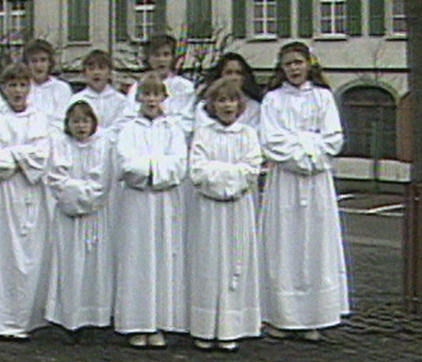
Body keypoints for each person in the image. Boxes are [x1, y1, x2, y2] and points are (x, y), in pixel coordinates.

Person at [259, 41, 350, 341]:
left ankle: (314, 317)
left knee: (314, 246)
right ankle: (280, 317)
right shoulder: (272, 99)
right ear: (281, 68)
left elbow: (333, 138)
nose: (294, 69)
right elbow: (271, 141)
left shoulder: (323, 98)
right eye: (288, 64)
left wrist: (310, 156)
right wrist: (303, 153)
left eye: (298, 62)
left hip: (316, 182)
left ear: (309, 63)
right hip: (285, 181)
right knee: (284, 244)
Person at [0, 63, 50, 339]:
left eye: (22, 85)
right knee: (1, 255)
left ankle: (26, 319)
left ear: (29, 88)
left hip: (29, 192)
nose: (17, 91)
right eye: (12, 85)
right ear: (3, 89)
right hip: (2, 195)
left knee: (29, 255)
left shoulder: (40, 118)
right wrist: (20, 156)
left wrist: (11, 155)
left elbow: (42, 155)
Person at [114, 72, 188, 348]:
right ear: (138, 98)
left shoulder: (173, 128)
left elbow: (179, 164)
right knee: (138, 258)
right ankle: (137, 322)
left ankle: (159, 323)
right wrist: (157, 167)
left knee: (163, 258)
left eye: (156, 95)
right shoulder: (129, 128)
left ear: (164, 98)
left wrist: (152, 168)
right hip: (137, 201)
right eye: (146, 94)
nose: (151, 100)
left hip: (165, 200)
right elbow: (126, 164)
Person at [188, 78, 262, 351]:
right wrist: (228, 176)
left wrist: (224, 177)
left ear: (240, 104)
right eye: (221, 100)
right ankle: (205, 328)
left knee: (235, 263)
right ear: (212, 105)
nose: (227, 105)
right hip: (209, 209)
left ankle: (233, 328)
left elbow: (251, 168)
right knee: (209, 264)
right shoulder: (204, 134)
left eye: (232, 100)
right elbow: (197, 170)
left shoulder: (247, 135)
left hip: (238, 208)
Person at [44, 100, 113, 338]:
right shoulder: (61, 145)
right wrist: (73, 197)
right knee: (68, 264)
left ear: (93, 123)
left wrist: (84, 197)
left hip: (95, 216)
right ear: (67, 124)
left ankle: (94, 316)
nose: (81, 126)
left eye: (85, 121)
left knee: (94, 265)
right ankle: (68, 317)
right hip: (67, 217)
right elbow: (55, 178)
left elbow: (102, 181)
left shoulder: (103, 146)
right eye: (75, 121)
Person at [125, 34, 194, 134]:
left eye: (166, 55)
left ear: (173, 58)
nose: (161, 60)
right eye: (156, 55)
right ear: (148, 58)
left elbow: (188, 122)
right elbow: (129, 117)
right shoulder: (137, 87)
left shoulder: (185, 87)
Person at [67, 49, 128, 139]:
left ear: (109, 73)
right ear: (84, 73)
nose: (96, 72)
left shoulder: (121, 100)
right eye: (91, 69)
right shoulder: (76, 100)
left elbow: (122, 125)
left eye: (101, 68)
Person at [199, 52, 263, 130]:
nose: (234, 78)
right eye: (229, 73)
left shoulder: (254, 107)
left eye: (238, 73)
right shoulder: (204, 105)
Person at [24, 38, 73, 134]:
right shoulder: (22, 88)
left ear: (50, 62)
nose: (39, 65)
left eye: (43, 60)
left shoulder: (62, 89)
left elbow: (62, 120)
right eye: (34, 61)